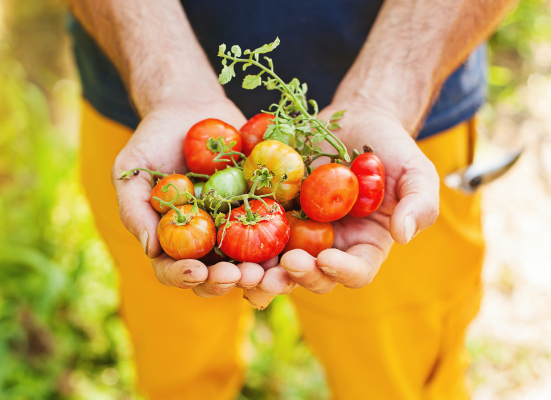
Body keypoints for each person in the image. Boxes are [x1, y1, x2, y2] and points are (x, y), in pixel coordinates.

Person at [66, 0, 517, 399]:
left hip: (403, 122)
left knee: (400, 370)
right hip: (147, 106)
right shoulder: (173, 184)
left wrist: (385, 95)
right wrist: (167, 84)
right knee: (174, 358)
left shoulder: (355, 173)